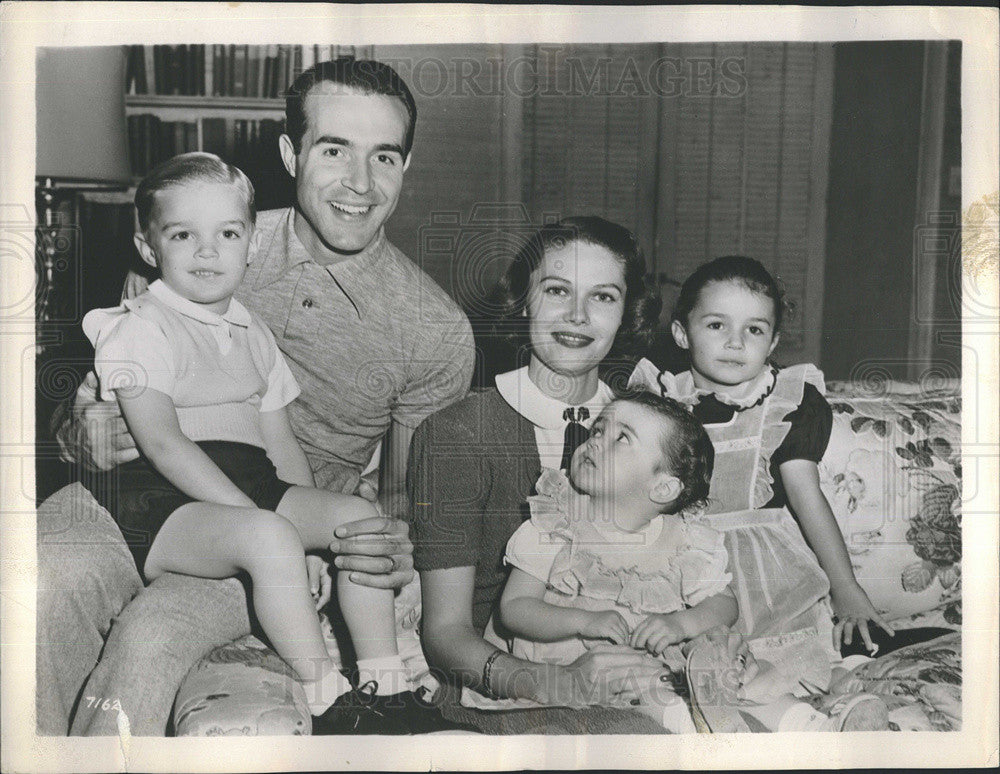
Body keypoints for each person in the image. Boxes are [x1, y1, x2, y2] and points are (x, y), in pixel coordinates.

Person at [40, 58, 475, 736]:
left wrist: (354, 544)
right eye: (334, 150)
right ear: (290, 152)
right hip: (118, 493)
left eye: (383, 156)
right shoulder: (199, 234)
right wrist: (77, 426)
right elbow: (104, 385)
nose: (360, 184)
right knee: (33, 584)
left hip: (265, 534)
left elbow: (403, 503)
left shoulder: (437, 330)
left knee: (149, 640)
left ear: (406, 164)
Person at [406, 216, 675, 733]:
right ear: (523, 300)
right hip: (509, 685)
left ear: (627, 314)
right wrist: (559, 684)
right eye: (557, 290)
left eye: (603, 297)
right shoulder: (457, 433)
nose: (577, 316)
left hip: (641, 672)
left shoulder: (651, 426)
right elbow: (445, 633)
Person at [628, 255, 895, 699]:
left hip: (764, 573)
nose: (735, 342)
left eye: (753, 329)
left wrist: (847, 590)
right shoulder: (658, 401)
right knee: (676, 674)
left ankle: (827, 711)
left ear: (771, 343)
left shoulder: (786, 403)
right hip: (684, 569)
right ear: (680, 333)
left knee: (790, 670)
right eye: (716, 325)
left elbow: (808, 500)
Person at [499, 392, 734, 732]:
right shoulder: (556, 522)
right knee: (643, 709)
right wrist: (583, 621)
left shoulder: (684, 541)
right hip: (566, 673)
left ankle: (790, 724)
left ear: (663, 488)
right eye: (598, 430)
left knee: (717, 677)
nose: (594, 442)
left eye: (622, 438)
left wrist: (682, 624)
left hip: (649, 674)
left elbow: (725, 605)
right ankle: (689, 728)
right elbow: (515, 608)